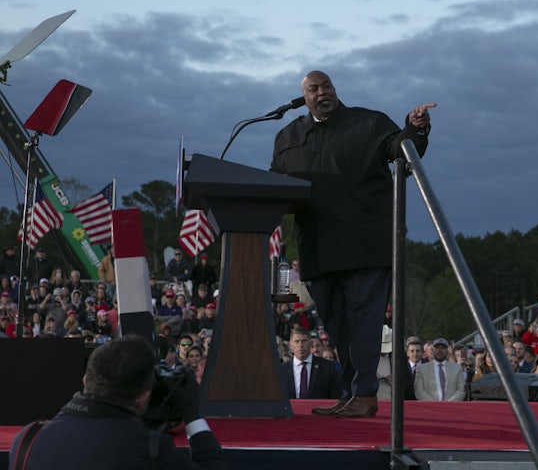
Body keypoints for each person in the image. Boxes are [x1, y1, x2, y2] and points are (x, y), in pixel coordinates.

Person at [270, 70, 434, 418]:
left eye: (326, 85)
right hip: (317, 248)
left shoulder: (369, 123)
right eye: (313, 89)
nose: (322, 92)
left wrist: (416, 129)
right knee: (337, 326)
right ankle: (350, 393)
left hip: (366, 246)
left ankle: (364, 393)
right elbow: (274, 187)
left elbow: (402, 149)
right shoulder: (288, 136)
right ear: (304, 96)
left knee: (364, 322)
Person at [9, 334, 228, 469]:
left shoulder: (27, 438)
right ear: (142, 399)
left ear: (86, 379)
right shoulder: (150, 448)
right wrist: (193, 415)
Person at [279, 326, 342, 400]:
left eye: (304, 341)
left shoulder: (327, 367)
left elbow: (336, 398)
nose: (300, 345)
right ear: (290, 345)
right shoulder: (282, 370)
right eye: (296, 341)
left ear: (310, 343)